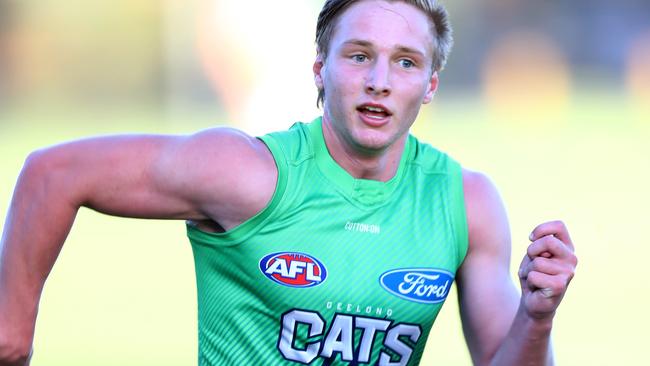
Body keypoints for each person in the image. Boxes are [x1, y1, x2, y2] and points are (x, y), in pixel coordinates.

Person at [0, 0, 577, 365]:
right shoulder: (248, 174)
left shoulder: (463, 202)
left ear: (429, 85)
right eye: (358, 56)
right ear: (319, 69)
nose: (379, 80)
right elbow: (53, 173)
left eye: (405, 62)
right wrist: (11, 336)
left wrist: (537, 315)